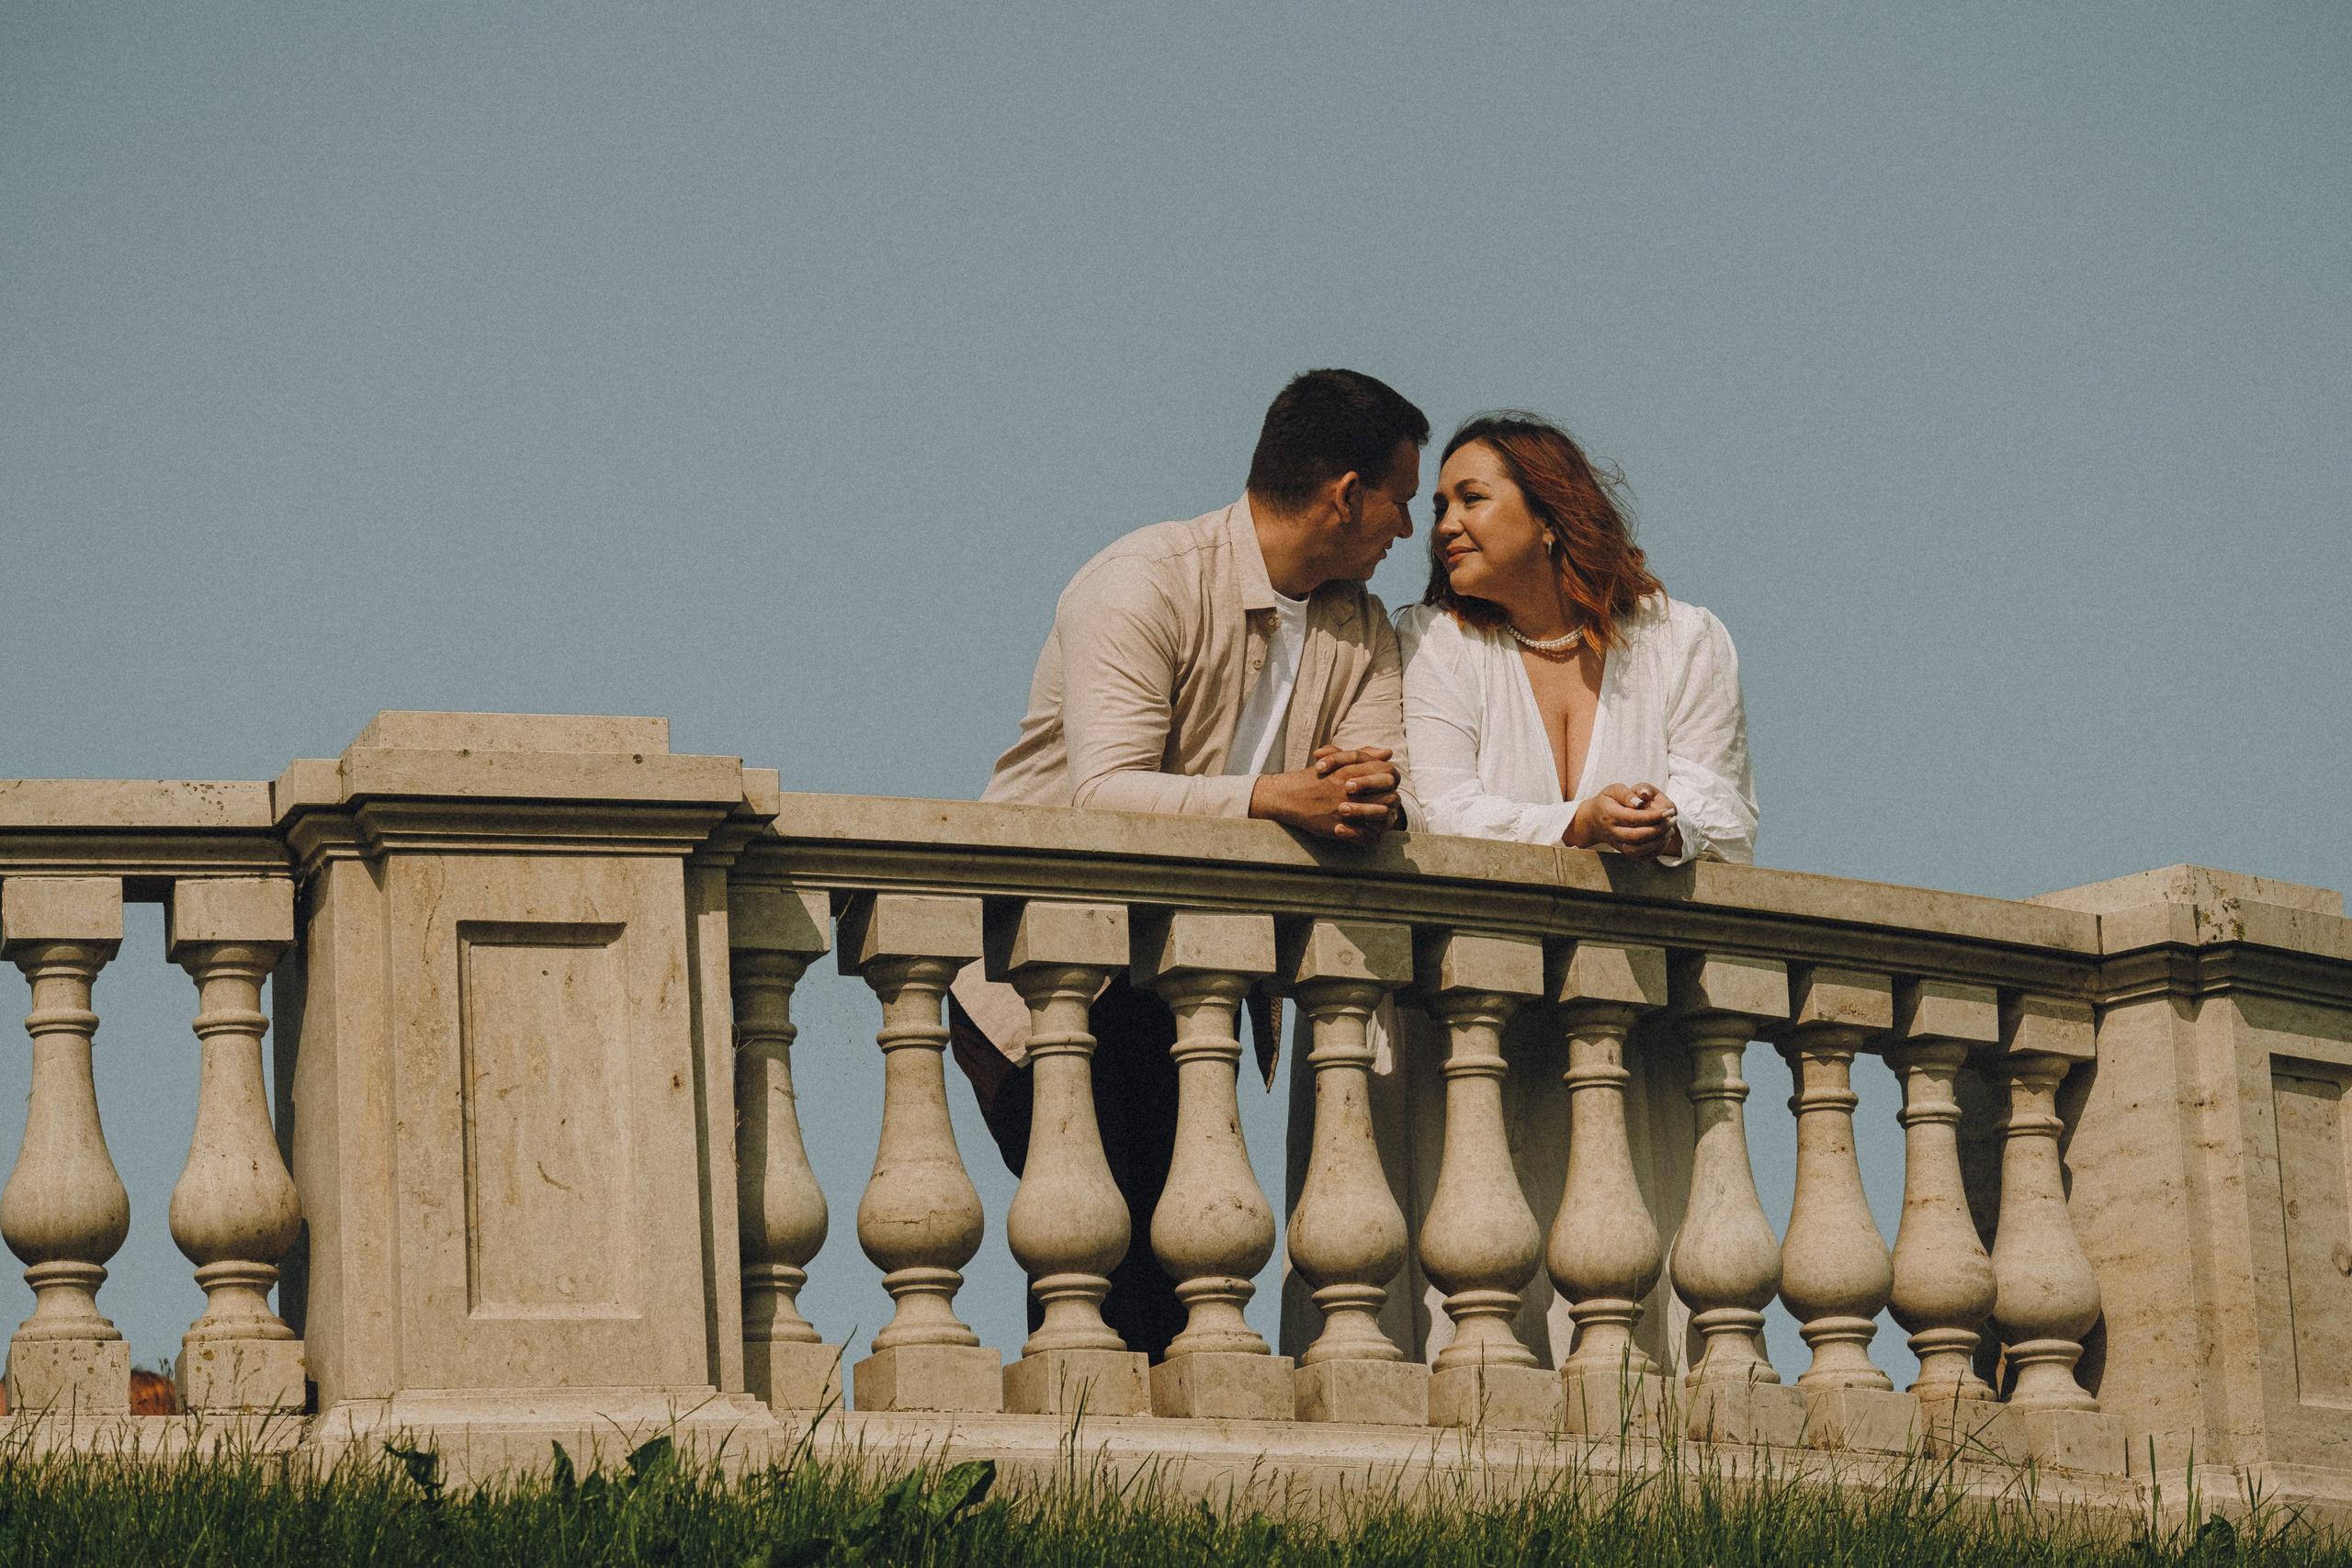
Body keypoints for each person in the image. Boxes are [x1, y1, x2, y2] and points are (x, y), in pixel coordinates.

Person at [955, 368, 1430, 1359]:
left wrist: (1366, 796)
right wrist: (1278, 797)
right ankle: (1080, 1482)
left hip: (1185, 978)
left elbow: (1383, 780)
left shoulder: (1360, 627)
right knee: (1102, 1259)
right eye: (1400, 500)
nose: (1407, 530)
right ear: (1345, 494)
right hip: (1043, 970)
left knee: (1185, 1282)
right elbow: (1107, 795)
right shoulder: (1143, 579)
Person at [1395, 412, 1755, 862]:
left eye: (1471, 499)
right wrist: (1580, 824)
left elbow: (1726, 818)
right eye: (1440, 507)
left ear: (1549, 518)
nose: (1445, 525)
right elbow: (1440, 813)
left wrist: (1664, 826)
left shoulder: (1684, 639)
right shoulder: (1437, 639)